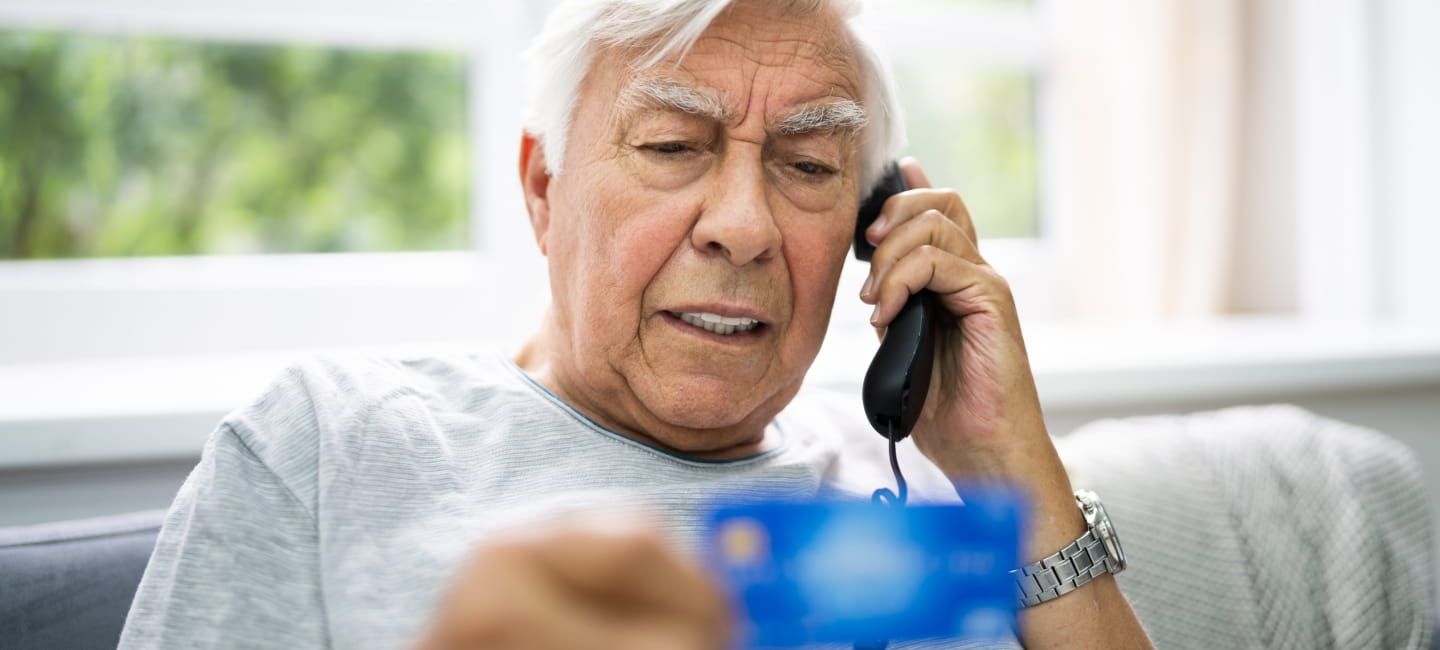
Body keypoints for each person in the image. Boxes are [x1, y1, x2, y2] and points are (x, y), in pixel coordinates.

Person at [119, 1, 1154, 648]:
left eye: (806, 166)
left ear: (871, 220)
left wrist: (1021, 476)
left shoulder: (927, 484)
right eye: (671, 145)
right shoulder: (325, 443)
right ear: (543, 187)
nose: (744, 227)